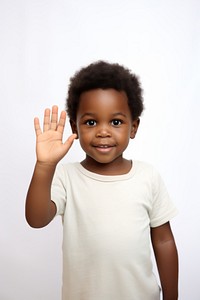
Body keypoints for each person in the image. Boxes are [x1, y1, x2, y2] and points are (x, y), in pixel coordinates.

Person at [25, 61, 178, 300]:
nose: (103, 131)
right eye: (91, 122)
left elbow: (164, 240)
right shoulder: (67, 176)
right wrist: (45, 166)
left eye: (115, 122)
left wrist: (172, 296)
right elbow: (36, 219)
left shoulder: (148, 176)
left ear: (133, 127)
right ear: (75, 127)